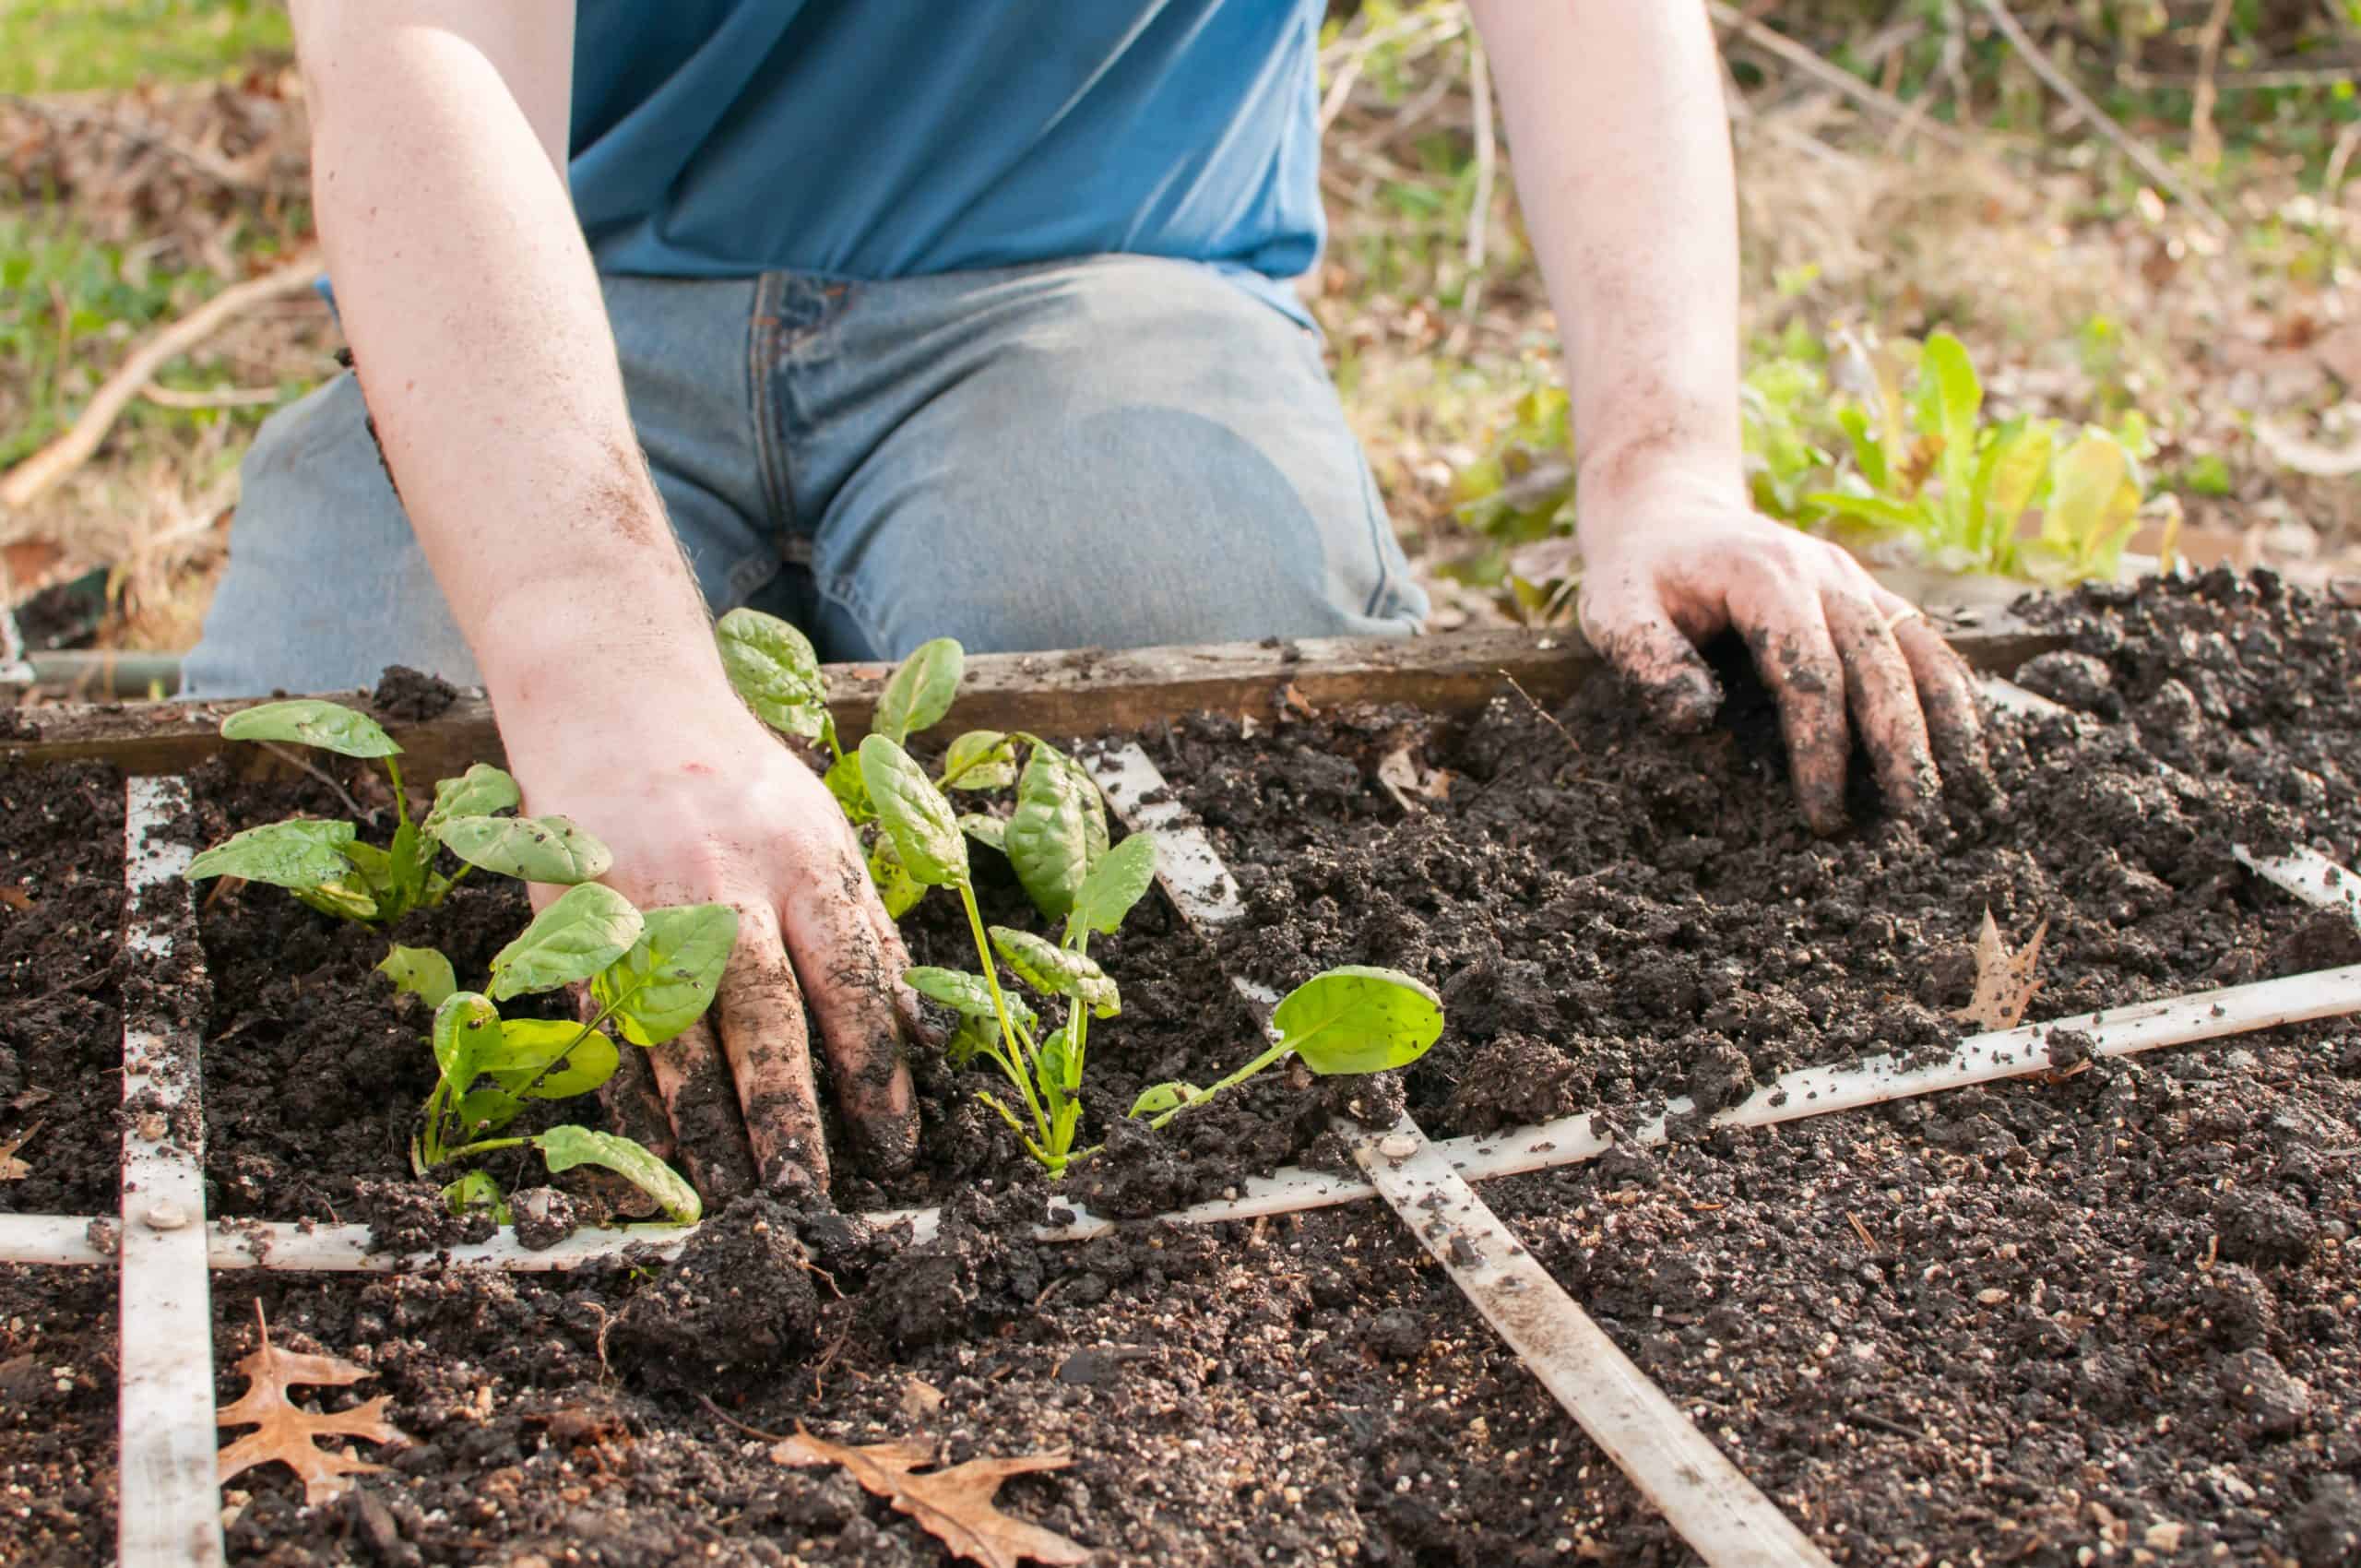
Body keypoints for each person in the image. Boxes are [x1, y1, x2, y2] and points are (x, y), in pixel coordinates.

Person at [186, 1, 1984, 1202]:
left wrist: (1661, 461)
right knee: (309, 804)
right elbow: (412, 41)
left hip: (1104, 272)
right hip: (543, 269)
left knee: (1202, 750)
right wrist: (590, 648)